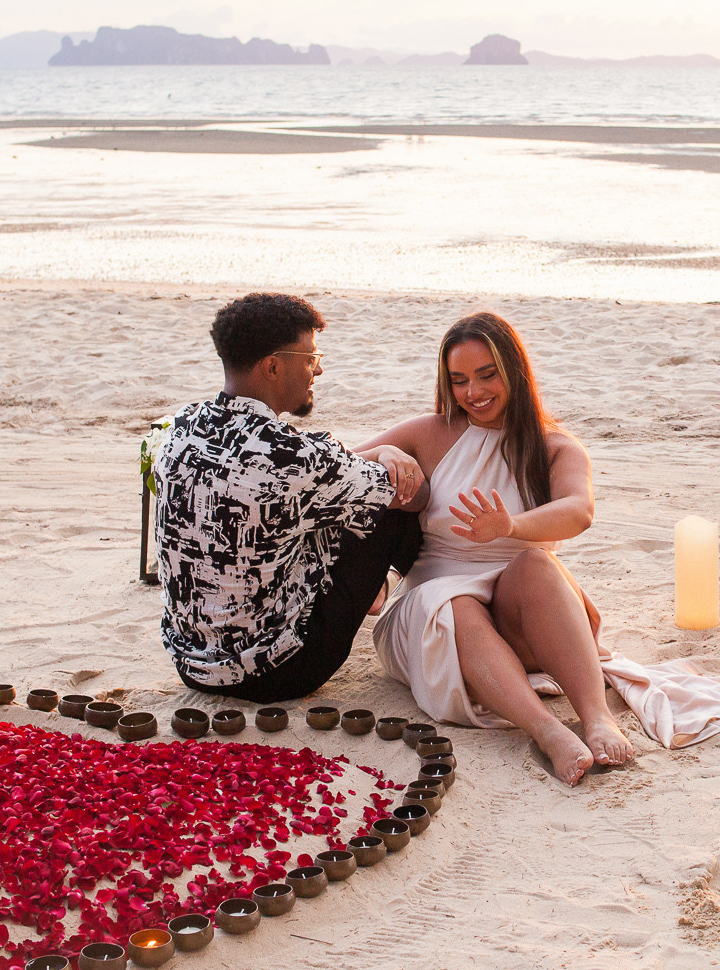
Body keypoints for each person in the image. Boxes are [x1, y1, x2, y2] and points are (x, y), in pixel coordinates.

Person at [356, 312, 639, 785]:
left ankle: (595, 717)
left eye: (487, 375)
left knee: (536, 562)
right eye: (459, 379)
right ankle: (547, 730)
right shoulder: (429, 432)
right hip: (433, 609)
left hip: (523, 619)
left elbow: (578, 509)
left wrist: (511, 525)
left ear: (515, 371)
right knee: (456, 602)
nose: (473, 392)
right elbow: (329, 466)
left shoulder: (555, 448)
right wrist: (387, 453)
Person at [156, 292, 427, 704]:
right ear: (273, 366)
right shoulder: (295, 458)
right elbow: (415, 497)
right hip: (278, 673)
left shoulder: (180, 429)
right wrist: (396, 460)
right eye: (310, 357)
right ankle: (444, 617)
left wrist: (378, 454)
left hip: (190, 664)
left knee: (331, 501)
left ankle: (387, 593)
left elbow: (303, 479)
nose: (318, 369)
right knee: (390, 511)